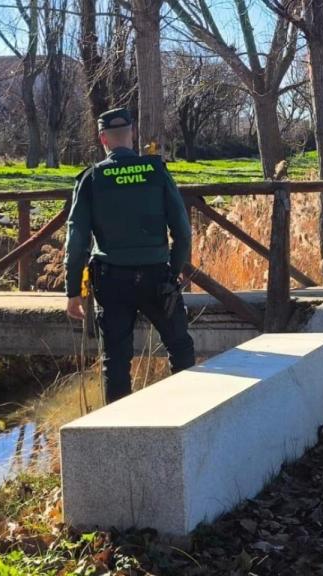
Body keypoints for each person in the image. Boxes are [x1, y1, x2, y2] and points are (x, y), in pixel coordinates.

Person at [64, 108, 195, 403]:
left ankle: (118, 434)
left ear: (102, 139)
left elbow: (77, 241)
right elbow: (183, 232)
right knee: (180, 348)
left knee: (116, 361)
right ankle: (187, 415)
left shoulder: (92, 178)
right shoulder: (156, 171)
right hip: (157, 276)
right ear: (132, 134)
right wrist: (173, 271)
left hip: (111, 281)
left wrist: (73, 290)